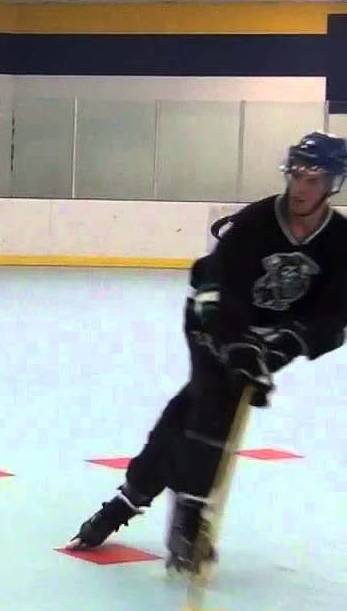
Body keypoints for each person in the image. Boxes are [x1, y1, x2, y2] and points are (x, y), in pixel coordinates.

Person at [65, 131, 347, 575]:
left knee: (190, 409)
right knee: (215, 403)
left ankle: (127, 500)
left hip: (267, 340)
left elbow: (333, 315)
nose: (300, 188)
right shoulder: (257, 222)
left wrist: (282, 347)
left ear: (332, 184)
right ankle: (189, 520)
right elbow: (213, 283)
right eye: (295, 175)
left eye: (312, 180)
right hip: (211, 324)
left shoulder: (339, 240)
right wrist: (237, 346)